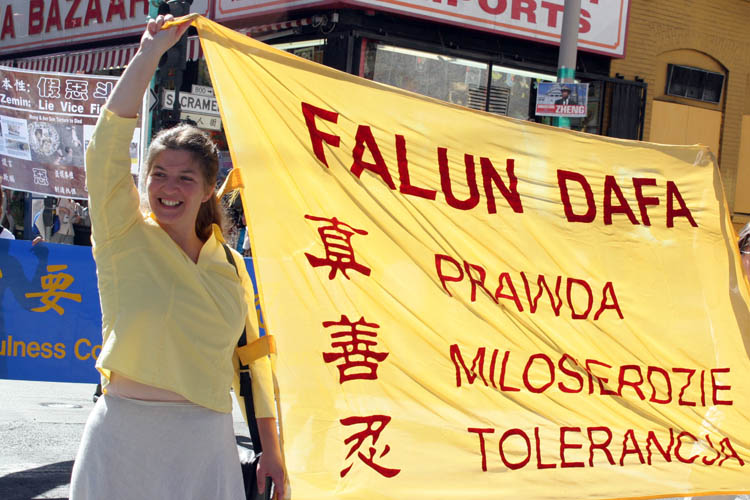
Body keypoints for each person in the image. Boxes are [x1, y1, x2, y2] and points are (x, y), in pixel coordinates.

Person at [69, 15, 285, 500]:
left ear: (208, 189)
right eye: (159, 174)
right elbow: (104, 150)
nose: (169, 187)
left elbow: (252, 363)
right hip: (121, 443)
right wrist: (148, 54)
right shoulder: (123, 235)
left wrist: (270, 450)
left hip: (206, 449)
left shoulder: (230, 265)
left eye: (186, 177)